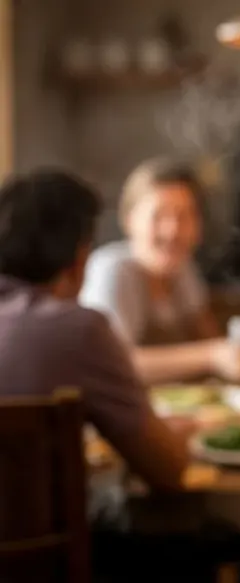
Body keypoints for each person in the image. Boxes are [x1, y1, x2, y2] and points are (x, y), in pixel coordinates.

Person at [0, 170, 189, 493]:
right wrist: (177, 438)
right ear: (80, 255)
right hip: (48, 543)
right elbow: (167, 470)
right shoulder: (78, 329)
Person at [78, 157, 240, 386]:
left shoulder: (183, 269)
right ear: (129, 221)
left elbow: (206, 335)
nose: (173, 230)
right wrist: (212, 355)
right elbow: (112, 362)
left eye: (185, 216)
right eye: (159, 216)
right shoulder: (113, 270)